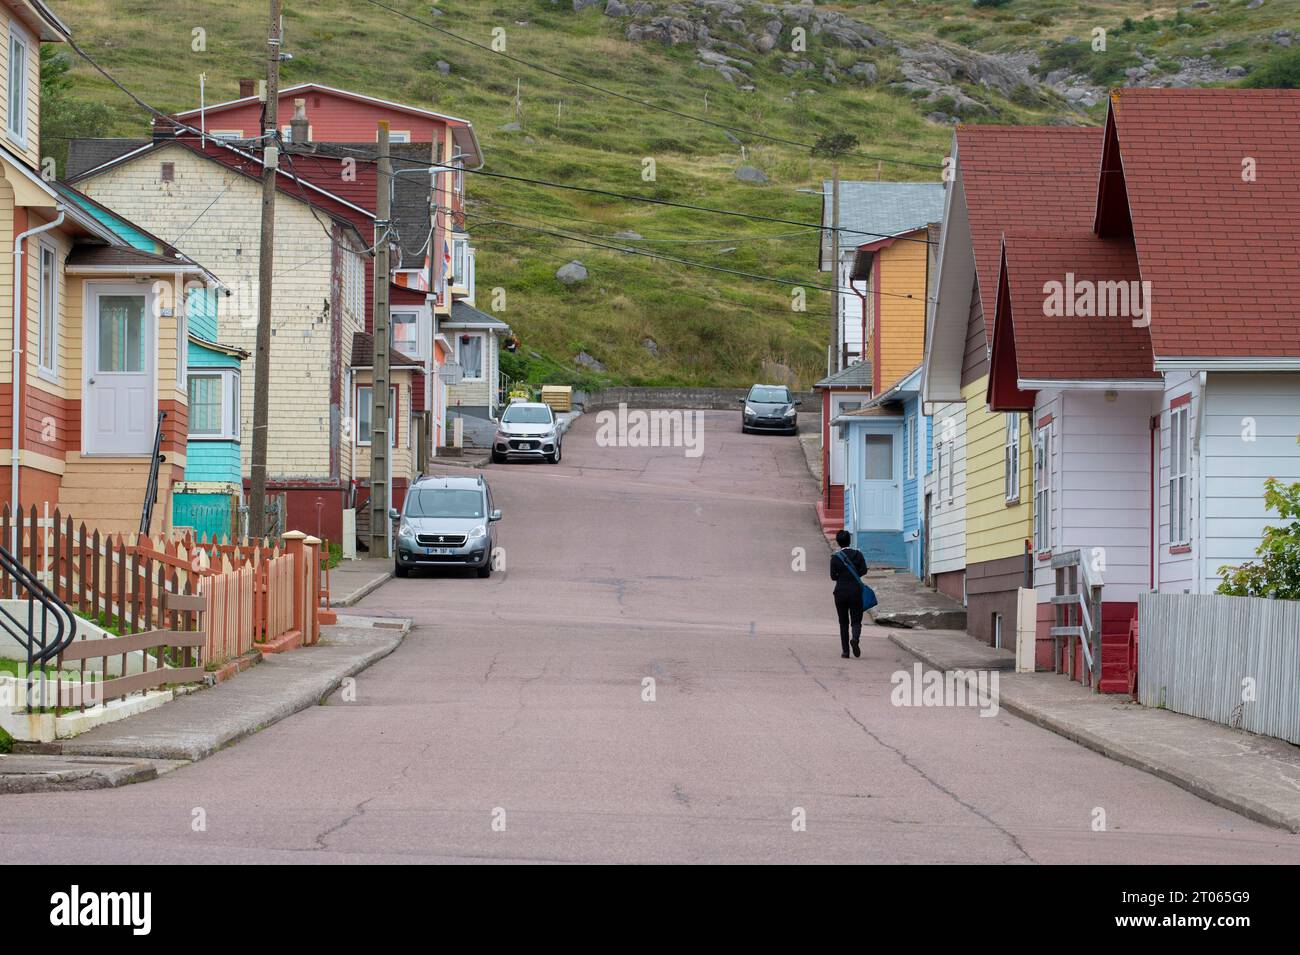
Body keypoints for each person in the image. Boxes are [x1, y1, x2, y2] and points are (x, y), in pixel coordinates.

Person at [830, 530, 868, 659]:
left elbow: (833, 577)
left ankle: (845, 652)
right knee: (856, 620)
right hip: (855, 591)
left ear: (838, 542)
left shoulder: (835, 558)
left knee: (843, 622)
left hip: (840, 592)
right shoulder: (858, 554)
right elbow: (864, 570)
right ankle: (855, 639)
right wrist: (855, 574)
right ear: (849, 541)